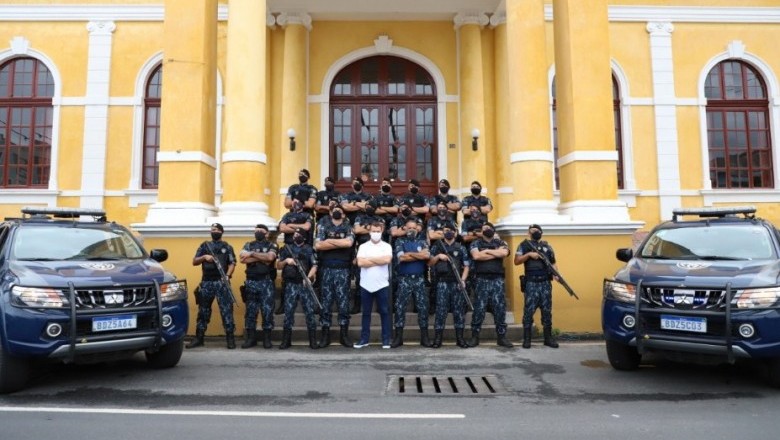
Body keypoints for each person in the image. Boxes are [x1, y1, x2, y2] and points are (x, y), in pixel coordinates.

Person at [187, 223, 237, 349]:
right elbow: (194, 261)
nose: (213, 231)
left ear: (221, 231)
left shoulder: (227, 247)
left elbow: (232, 263)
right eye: (211, 230)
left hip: (222, 282)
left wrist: (227, 275)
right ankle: (199, 338)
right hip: (207, 282)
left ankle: (230, 338)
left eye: (215, 230)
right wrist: (204, 257)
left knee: (226, 311)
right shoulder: (205, 246)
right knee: (203, 311)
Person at [314, 204, 355, 348]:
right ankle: (325, 335)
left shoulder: (348, 227)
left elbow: (349, 243)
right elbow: (318, 245)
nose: (337, 212)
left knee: (343, 304)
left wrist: (329, 241)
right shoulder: (323, 226)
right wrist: (339, 243)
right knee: (326, 303)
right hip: (326, 269)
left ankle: (344, 335)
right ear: (330, 213)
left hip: (343, 270)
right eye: (334, 210)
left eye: (339, 210)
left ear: (343, 214)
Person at [514, 224, 559, 349]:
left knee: (546, 311)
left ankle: (548, 338)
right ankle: (527, 339)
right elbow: (516, 261)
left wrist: (556, 275)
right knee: (528, 311)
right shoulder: (524, 245)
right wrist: (528, 255)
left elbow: (553, 263)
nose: (535, 232)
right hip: (531, 283)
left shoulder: (548, 247)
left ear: (541, 232)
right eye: (532, 231)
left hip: (545, 283)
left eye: (537, 230)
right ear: (528, 233)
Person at [468, 222, 513, 348]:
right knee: (479, 309)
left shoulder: (501, 243)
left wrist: (487, 252)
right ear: (481, 232)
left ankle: (502, 337)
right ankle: (475, 337)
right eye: (484, 229)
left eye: (489, 228)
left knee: (499, 309)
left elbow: (503, 254)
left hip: (497, 280)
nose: (486, 230)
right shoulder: (475, 243)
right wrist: (494, 253)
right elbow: (476, 256)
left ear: (493, 230)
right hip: (481, 280)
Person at [428, 222, 471, 348]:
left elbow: (467, 266)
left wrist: (463, 280)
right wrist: (438, 257)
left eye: (451, 230)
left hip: (457, 283)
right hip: (442, 283)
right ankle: (437, 340)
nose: (449, 232)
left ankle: (460, 339)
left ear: (455, 232)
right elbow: (430, 263)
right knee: (441, 311)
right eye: (446, 230)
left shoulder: (460, 247)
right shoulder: (437, 246)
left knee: (458, 311)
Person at [391, 217, 431, 347]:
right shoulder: (399, 241)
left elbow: (427, 256)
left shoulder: (423, 241)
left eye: (414, 228)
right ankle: (398, 338)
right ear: (405, 229)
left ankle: (424, 338)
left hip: (419, 279)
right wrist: (418, 255)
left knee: (422, 308)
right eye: (409, 228)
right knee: (400, 308)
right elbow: (401, 258)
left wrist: (410, 254)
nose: (412, 230)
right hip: (404, 279)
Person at [276, 229, 319, 349]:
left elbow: (314, 265)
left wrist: (308, 278)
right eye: (294, 234)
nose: (296, 236)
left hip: (304, 284)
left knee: (309, 312)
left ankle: (313, 340)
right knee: (288, 312)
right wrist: (286, 261)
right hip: (290, 285)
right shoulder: (286, 249)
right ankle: (286, 340)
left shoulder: (309, 249)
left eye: (298, 235)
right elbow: (278, 266)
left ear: (304, 237)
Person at [353, 221, 393, 349]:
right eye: (374, 231)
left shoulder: (387, 246)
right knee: (366, 313)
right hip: (366, 284)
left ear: (382, 231)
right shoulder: (363, 247)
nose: (376, 233)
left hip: (382, 284)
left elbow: (387, 260)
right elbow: (360, 263)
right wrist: (378, 260)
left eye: (378, 231)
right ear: (370, 232)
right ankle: (364, 339)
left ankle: (386, 340)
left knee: (385, 312)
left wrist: (369, 259)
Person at [238, 224, 277, 349]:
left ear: (266, 233)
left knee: (267, 311)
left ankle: (267, 339)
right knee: (250, 311)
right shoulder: (248, 244)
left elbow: (270, 258)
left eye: (260, 231)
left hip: (266, 282)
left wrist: (252, 255)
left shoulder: (272, 245)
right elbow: (243, 259)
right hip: (251, 281)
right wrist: (261, 258)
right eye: (256, 231)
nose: (257, 233)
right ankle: (251, 339)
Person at [352, 200, 384, 314]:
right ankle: (357, 305)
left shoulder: (380, 219)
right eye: (367, 206)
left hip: (377, 252)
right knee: (360, 279)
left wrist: (365, 227)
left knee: (378, 279)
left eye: (371, 206)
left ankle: (380, 306)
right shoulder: (359, 218)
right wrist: (372, 228)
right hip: (363, 251)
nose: (368, 207)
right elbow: (357, 230)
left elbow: (380, 231)